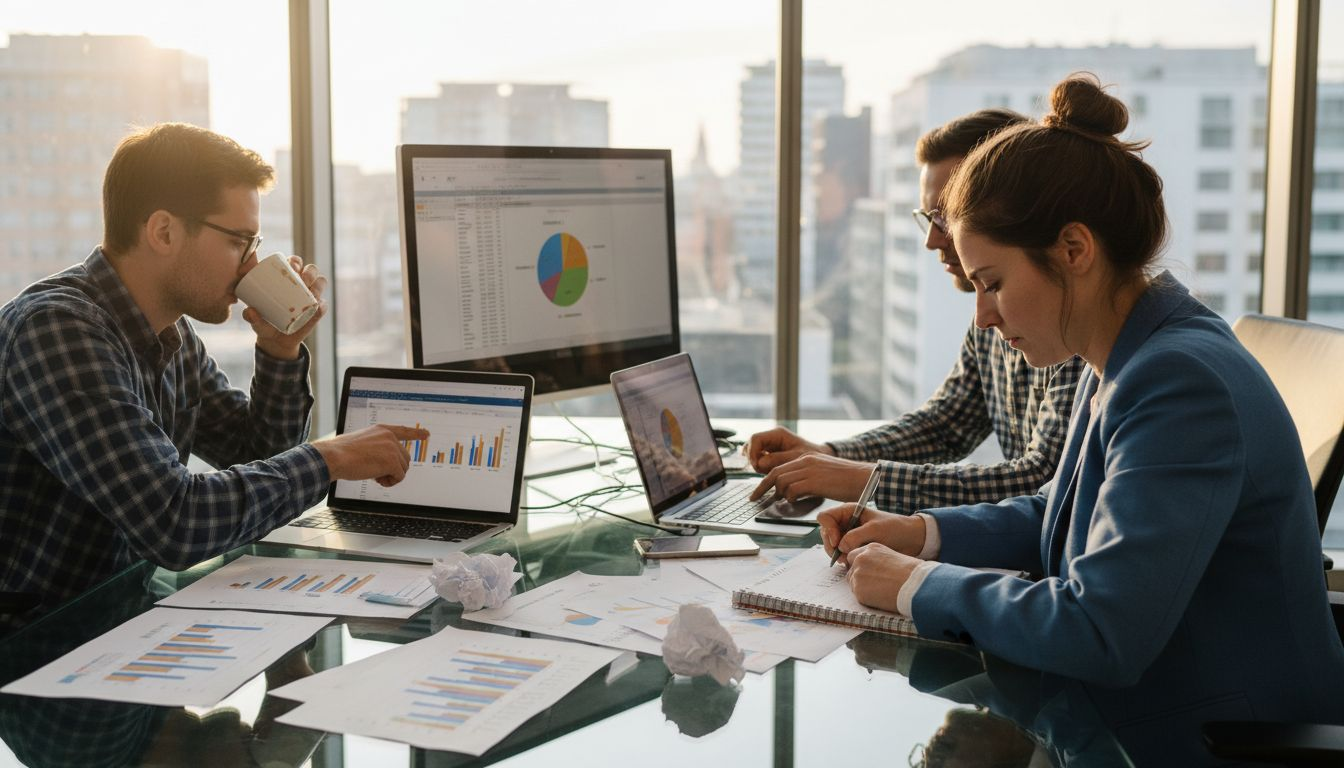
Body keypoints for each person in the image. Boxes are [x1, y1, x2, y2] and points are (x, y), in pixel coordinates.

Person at [820, 75, 1344, 755]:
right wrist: (921, 535)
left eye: (994, 283)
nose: (983, 315)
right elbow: (1060, 512)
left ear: (1074, 250)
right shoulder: (1139, 353)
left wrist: (916, 585)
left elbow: (1103, 630)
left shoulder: (1179, 382)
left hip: (1212, 736)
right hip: (1136, 712)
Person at [0, 123, 426, 614]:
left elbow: (258, 458)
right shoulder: (56, 330)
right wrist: (331, 459)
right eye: (238, 242)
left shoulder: (174, 336)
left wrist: (279, 352)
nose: (251, 267)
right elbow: (176, 523)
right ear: (164, 231)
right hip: (28, 639)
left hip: (116, 615)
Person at [747, 110, 1085, 514]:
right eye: (929, 218)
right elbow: (945, 424)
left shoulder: (1072, 325)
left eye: (948, 217)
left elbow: (1041, 481)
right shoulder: (992, 315)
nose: (933, 240)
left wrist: (859, 478)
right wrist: (830, 455)